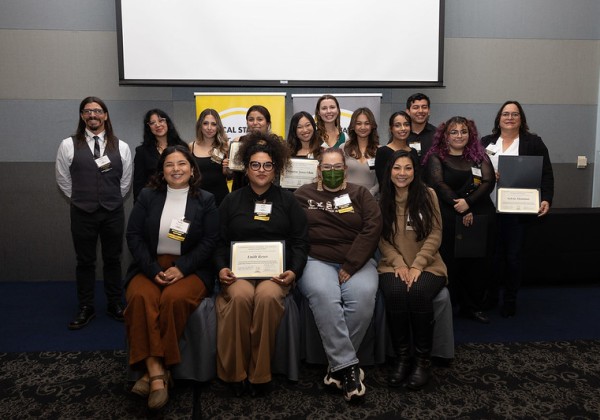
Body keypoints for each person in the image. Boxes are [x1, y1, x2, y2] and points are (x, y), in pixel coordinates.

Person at [124, 145, 219, 410]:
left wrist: (182, 268)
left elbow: (211, 240)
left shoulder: (206, 200)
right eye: (169, 165)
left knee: (174, 299)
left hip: (190, 268)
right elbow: (133, 236)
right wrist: (153, 270)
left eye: (181, 164)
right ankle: (158, 374)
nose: (176, 169)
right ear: (162, 170)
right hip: (150, 265)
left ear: (192, 169)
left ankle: (152, 372)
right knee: (141, 296)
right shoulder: (147, 196)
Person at [215, 132, 309, 397]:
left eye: (268, 165)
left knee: (267, 298)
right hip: (238, 274)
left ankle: (260, 374)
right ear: (246, 167)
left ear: (276, 168)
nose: (261, 170)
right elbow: (219, 241)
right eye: (255, 164)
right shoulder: (231, 201)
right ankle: (234, 373)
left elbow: (301, 242)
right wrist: (221, 268)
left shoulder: (289, 202)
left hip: (275, 276)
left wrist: (293, 271)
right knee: (242, 296)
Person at [294, 148, 382, 402]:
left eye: (337, 167)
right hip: (316, 259)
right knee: (325, 295)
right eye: (327, 168)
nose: (332, 172)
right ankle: (350, 368)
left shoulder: (360, 194)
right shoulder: (302, 195)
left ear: (345, 169)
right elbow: (296, 233)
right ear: (318, 170)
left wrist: (352, 264)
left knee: (364, 296)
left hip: (357, 260)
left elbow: (373, 228)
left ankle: (337, 368)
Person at [56, 96, 132, 330]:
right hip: (82, 212)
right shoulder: (68, 145)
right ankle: (86, 306)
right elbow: (63, 179)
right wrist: (82, 199)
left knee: (112, 259)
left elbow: (125, 181)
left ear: (105, 115)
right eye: (87, 111)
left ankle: (114, 303)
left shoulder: (122, 146)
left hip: (112, 212)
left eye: (97, 111)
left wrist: (108, 199)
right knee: (85, 261)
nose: (93, 115)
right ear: (82, 116)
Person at [378, 150, 448, 390]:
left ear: (415, 171)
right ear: (389, 171)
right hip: (392, 265)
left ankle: (422, 361)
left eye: (408, 168)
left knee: (418, 293)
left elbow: (436, 233)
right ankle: (402, 357)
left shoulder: (428, 195)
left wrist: (417, 265)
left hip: (428, 264)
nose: (402, 173)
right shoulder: (382, 199)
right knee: (396, 293)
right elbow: (382, 239)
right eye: (397, 168)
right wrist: (399, 263)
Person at [481, 101, 554, 317]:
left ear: (521, 119)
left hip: (518, 210)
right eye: (505, 114)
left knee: (513, 257)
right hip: (490, 208)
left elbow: (546, 173)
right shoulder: (486, 142)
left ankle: (510, 299)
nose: (510, 118)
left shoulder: (533, 143)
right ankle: (492, 296)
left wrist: (546, 198)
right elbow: (472, 171)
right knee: (492, 257)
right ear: (499, 118)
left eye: (514, 114)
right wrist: (486, 176)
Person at [424, 116, 496, 324]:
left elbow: (488, 181)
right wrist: (462, 206)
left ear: (470, 134)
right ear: (445, 136)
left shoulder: (478, 155)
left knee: (478, 265)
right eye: (454, 132)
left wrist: (469, 203)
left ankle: (472, 307)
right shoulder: (436, 156)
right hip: (449, 216)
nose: (459, 136)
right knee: (451, 263)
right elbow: (438, 184)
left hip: (481, 215)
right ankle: (448, 307)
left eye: (463, 131)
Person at [132, 109, 187, 202]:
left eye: (161, 120)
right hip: (152, 201)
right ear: (148, 127)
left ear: (167, 123)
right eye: (152, 123)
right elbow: (138, 183)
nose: (157, 125)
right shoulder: (142, 151)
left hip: (179, 198)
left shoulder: (182, 147)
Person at [189, 108, 230, 205]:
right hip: (197, 198)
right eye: (205, 123)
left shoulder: (225, 147)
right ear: (200, 125)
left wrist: (228, 170)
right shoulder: (191, 146)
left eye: (213, 124)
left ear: (218, 127)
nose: (209, 128)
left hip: (220, 199)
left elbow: (229, 176)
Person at [230, 105, 272, 191]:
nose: (255, 123)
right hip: (241, 189)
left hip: (267, 190)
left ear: (267, 123)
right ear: (247, 122)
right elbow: (230, 174)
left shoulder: (275, 144)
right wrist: (227, 168)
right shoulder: (238, 141)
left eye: (260, 119)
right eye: (251, 119)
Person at [340, 107, 380, 197]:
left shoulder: (380, 151)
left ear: (372, 126)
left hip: (370, 200)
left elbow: (382, 180)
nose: (363, 127)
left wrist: (369, 194)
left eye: (367, 123)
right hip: (347, 200)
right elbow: (339, 175)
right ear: (353, 126)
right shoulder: (343, 148)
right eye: (358, 123)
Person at [375, 111, 419, 186]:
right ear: (391, 129)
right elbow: (382, 182)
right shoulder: (382, 152)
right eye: (397, 125)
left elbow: (416, 180)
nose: (403, 128)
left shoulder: (413, 152)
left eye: (406, 125)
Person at [405, 93, 436, 161]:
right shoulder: (401, 134)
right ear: (408, 112)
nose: (420, 111)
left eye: (424, 107)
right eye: (416, 107)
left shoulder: (437, 135)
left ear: (429, 111)